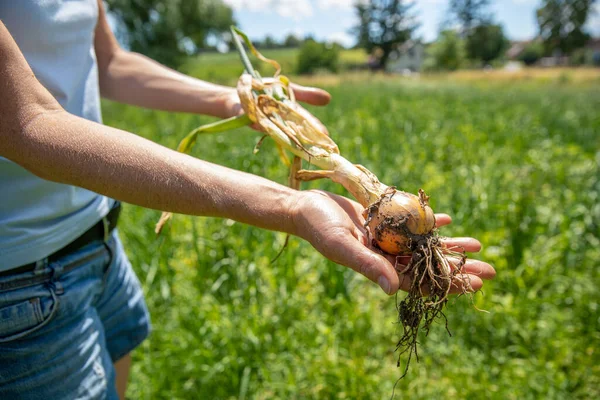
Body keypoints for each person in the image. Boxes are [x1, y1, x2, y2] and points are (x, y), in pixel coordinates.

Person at [0, 1, 496, 399]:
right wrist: (291, 205)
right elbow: (26, 123)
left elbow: (110, 62)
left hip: (97, 233)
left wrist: (240, 102)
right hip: (19, 282)